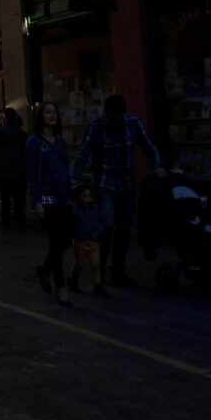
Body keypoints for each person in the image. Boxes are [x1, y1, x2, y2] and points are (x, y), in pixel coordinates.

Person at [72, 94, 163, 287]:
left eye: (117, 116)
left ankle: (118, 269)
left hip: (126, 183)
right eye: (111, 116)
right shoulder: (97, 126)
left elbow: (149, 146)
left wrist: (157, 164)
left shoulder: (132, 124)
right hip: (105, 183)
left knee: (124, 228)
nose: (114, 120)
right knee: (106, 224)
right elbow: (84, 152)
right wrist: (74, 178)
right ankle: (101, 268)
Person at [27, 101, 75, 307]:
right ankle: (61, 286)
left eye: (54, 112)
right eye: (47, 112)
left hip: (63, 198)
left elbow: (65, 170)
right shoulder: (34, 142)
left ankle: (45, 269)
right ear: (41, 117)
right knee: (56, 240)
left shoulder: (60, 142)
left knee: (66, 240)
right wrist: (37, 201)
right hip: (46, 198)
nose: (52, 115)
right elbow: (31, 173)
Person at [68, 184, 109, 297]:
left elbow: (102, 221)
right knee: (80, 263)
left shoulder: (94, 210)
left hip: (93, 241)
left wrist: (98, 231)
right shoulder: (77, 212)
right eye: (85, 196)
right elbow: (73, 225)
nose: (88, 199)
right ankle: (73, 280)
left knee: (96, 264)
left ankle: (98, 286)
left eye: (89, 196)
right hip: (81, 241)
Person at [0, 107, 28, 226]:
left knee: (5, 197)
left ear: (5, 117)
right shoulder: (22, 134)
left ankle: (6, 219)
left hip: (4, 170)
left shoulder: (0, 131)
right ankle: (19, 219)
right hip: (19, 169)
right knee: (18, 197)